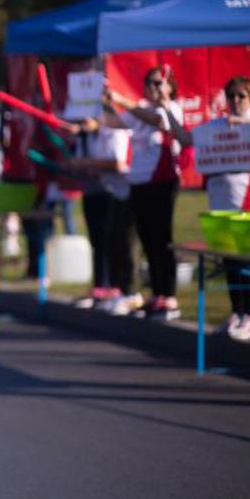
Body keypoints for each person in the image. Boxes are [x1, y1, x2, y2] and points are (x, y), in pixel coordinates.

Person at [174, 77, 250, 340]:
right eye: (231, 96)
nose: (235, 101)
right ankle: (238, 310)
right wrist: (167, 109)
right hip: (221, 192)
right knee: (229, 257)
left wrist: (247, 122)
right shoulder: (217, 125)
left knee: (247, 255)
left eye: (241, 96)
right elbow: (186, 138)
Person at [107, 67, 184, 319]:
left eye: (158, 83)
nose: (153, 88)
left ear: (170, 87)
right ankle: (157, 293)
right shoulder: (139, 107)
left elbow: (158, 122)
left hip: (161, 181)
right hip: (139, 181)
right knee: (147, 238)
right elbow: (115, 122)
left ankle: (169, 295)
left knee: (162, 237)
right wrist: (100, 107)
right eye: (149, 83)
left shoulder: (170, 109)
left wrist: (121, 100)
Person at [64, 117, 137, 314]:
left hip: (116, 192)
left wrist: (87, 163)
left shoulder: (114, 131)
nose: (86, 120)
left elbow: (117, 163)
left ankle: (120, 288)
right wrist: (77, 164)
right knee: (96, 240)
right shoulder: (85, 137)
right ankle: (100, 286)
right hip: (92, 190)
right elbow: (78, 164)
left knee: (115, 241)